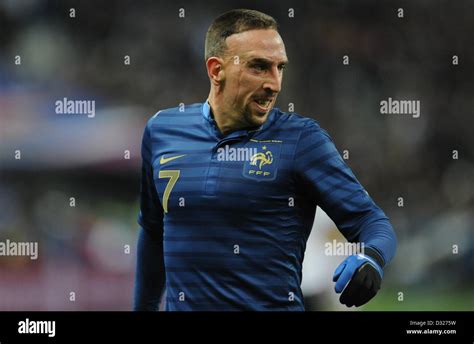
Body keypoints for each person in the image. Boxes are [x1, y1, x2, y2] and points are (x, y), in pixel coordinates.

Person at [134, 9, 397, 311]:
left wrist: (372, 257)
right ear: (216, 69)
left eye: (279, 68)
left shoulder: (301, 140)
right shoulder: (162, 130)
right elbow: (153, 234)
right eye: (259, 67)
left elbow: (373, 222)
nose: (275, 83)